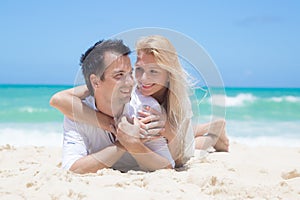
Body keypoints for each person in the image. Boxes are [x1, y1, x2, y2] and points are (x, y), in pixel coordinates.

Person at [50, 35, 229, 168]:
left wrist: (167, 129)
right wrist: (115, 129)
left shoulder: (167, 103)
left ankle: (213, 130)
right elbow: (59, 100)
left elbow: (173, 162)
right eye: (138, 70)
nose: (141, 79)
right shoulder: (119, 88)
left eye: (154, 72)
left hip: (176, 131)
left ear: (168, 76)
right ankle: (210, 127)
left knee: (187, 151)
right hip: (153, 130)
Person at [50, 39, 175, 174]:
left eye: (130, 74)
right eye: (119, 75)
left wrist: (134, 145)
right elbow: (72, 168)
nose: (130, 82)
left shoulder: (145, 107)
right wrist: (123, 143)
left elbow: (167, 166)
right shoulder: (77, 113)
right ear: (95, 81)